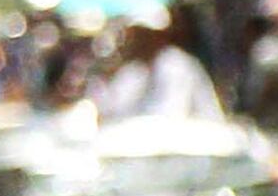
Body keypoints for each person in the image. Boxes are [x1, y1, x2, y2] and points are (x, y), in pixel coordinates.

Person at [91, 13, 226, 124]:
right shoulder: (135, 71)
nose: (137, 40)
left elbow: (170, 115)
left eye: (144, 34)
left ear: (159, 35)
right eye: (135, 34)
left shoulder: (175, 64)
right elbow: (115, 111)